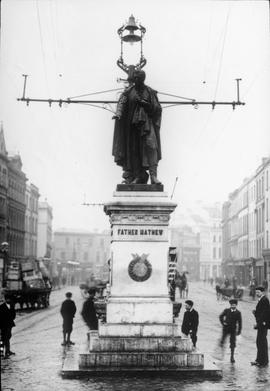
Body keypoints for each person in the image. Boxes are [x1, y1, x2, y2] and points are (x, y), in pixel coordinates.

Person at [112, 69, 162, 185]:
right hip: (133, 127)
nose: (135, 80)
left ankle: (153, 176)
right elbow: (122, 103)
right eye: (134, 78)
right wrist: (118, 114)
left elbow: (158, 109)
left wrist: (147, 105)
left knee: (151, 148)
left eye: (137, 78)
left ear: (142, 79)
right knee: (134, 151)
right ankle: (139, 175)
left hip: (147, 125)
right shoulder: (128, 92)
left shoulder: (150, 92)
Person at [251, 286, 270, 367]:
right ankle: (258, 360)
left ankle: (264, 362)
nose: (257, 294)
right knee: (259, 342)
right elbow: (261, 313)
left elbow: (265, 314)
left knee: (262, 343)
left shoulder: (265, 300)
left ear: (262, 292)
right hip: (261, 324)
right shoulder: (261, 300)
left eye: (258, 292)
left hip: (263, 325)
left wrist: (258, 324)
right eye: (256, 292)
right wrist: (255, 313)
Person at [219, 299, 242, 363]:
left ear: (236, 305)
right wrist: (223, 323)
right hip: (226, 329)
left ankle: (232, 356)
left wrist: (239, 331)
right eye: (232, 305)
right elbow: (221, 316)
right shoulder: (226, 310)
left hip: (233, 330)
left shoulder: (238, 313)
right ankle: (220, 354)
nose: (233, 306)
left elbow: (240, 322)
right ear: (230, 305)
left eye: (234, 305)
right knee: (222, 341)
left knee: (233, 343)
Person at [0, 289, 16, 358]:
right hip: (3, 325)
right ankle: (4, 352)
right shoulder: (1, 307)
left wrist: (11, 319)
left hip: (9, 324)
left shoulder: (12, 306)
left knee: (8, 336)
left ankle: (7, 351)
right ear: (6, 300)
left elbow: (14, 314)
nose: (9, 301)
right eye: (8, 299)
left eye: (10, 299)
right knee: (4, 338)